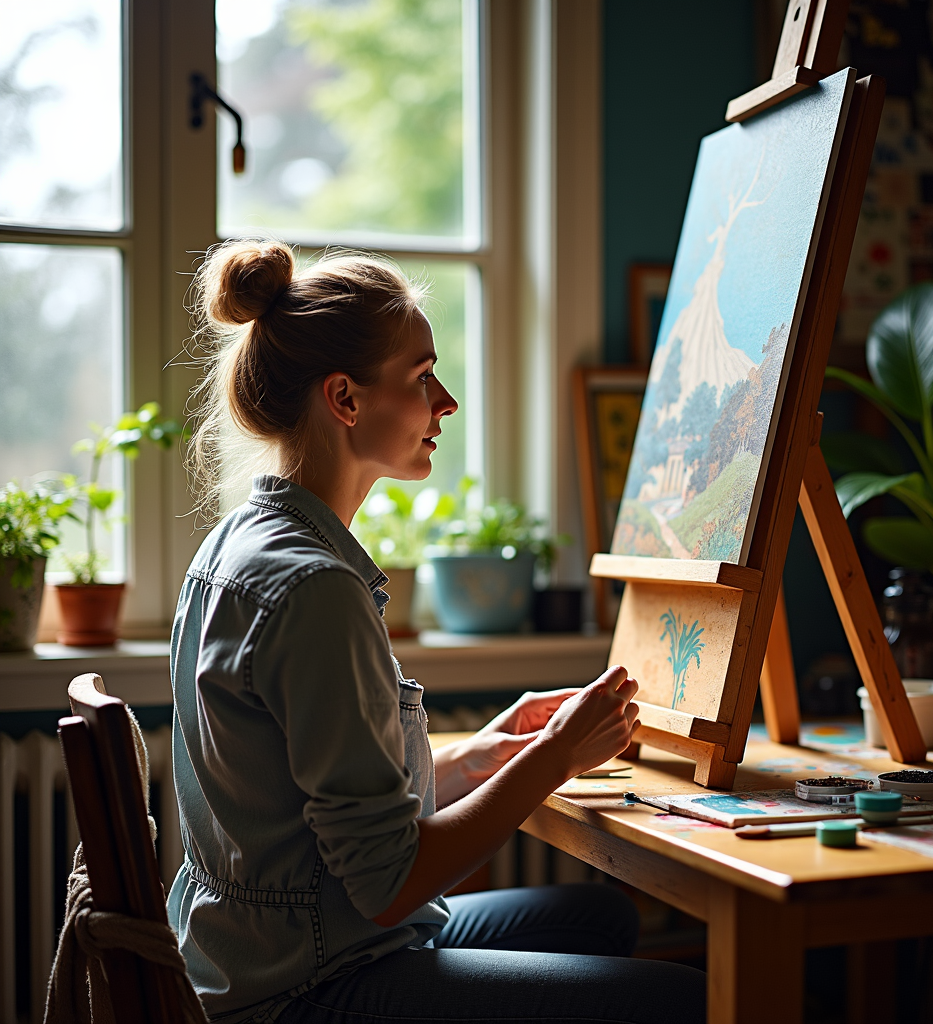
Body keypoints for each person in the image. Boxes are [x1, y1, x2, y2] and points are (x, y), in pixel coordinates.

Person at [168, 239, 706, 1024]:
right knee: (695, 1001)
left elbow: (326, 789)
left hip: (255, 950)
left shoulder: (239, 545)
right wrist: (557, 757)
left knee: (602, 919)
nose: (446, 401)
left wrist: (484, 752)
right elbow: (389, 886)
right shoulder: (314, 588)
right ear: (345, 400)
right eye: (422, 378)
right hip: (305, 986)